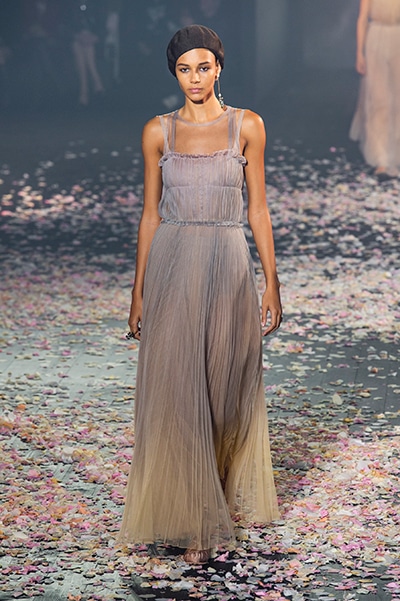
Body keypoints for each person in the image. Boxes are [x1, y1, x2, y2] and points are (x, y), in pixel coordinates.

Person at [118, 25, 282, 565]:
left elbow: (258, 208)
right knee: (178, 389)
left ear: (219, 68)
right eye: (185, 69)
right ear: (174, 73)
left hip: (228, 262)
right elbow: (150, 215)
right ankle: (195, 518)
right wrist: (138, 291)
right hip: (173, 264)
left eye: (203, 67)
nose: (195, 78)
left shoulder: (247, 126)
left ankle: (215, 499)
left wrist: (272, 281)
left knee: (223, 386)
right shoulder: (158, 132)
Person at [349, 0, 400, 179]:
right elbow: (362, 18)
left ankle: (396, 153)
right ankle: (382, 158)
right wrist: (359, 53)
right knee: (379, 100)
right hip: (376, 38)